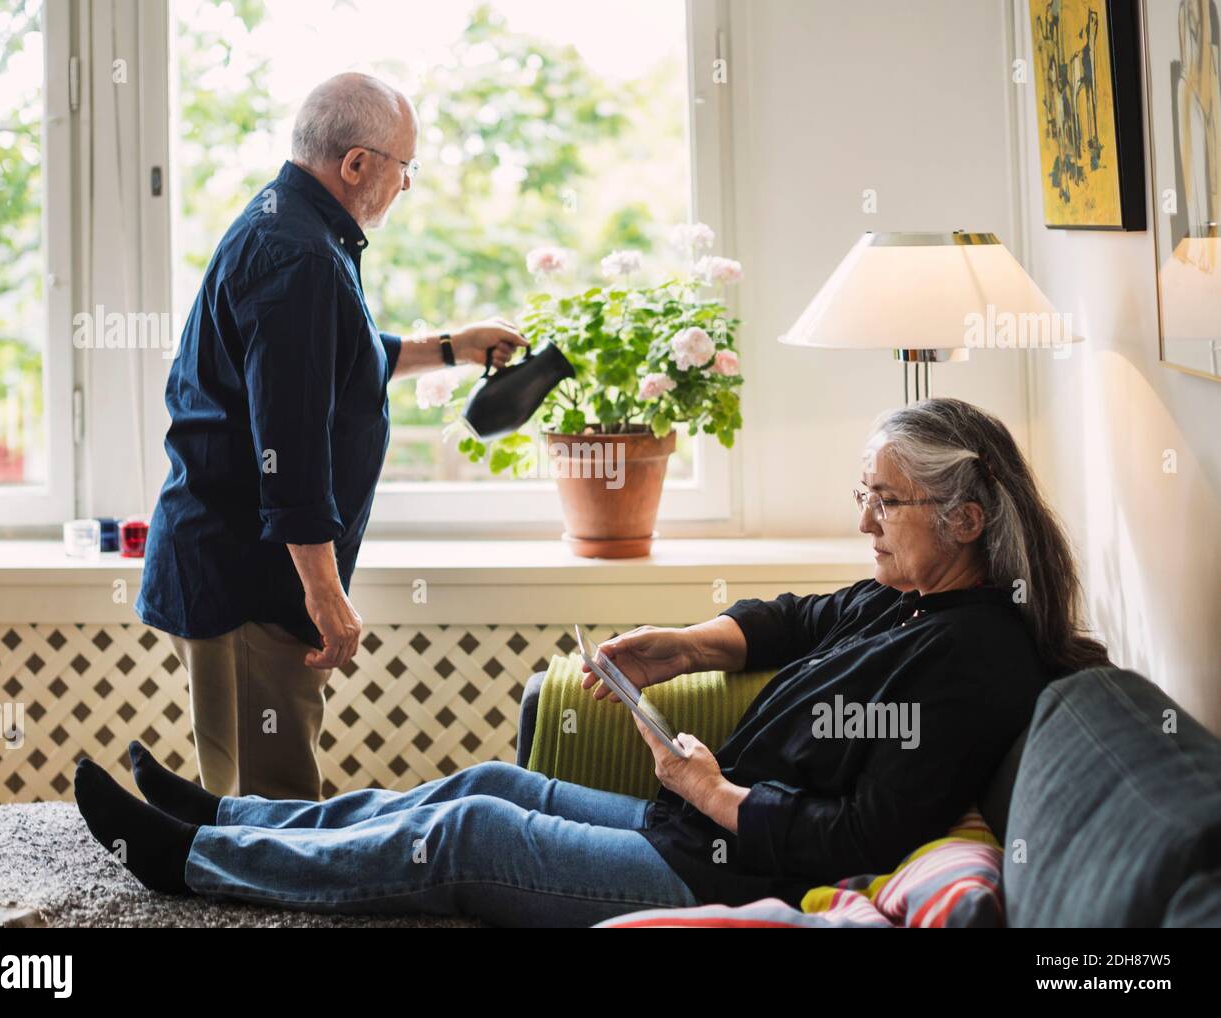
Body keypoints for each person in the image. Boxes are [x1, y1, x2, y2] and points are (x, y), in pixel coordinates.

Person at [81, 398, 1109, 927]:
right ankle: (225, 812)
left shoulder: (974, 661)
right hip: (700, 829)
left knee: (463, 833)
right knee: (492, 779)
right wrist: (683, 646)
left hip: (732, 866)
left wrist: (716, 798)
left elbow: (868, 829)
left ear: (967, 517)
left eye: (886, 499)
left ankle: (184, 861)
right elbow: (797, 620)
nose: (865, 517)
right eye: (863, 491)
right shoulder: (911, 596)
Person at [134, 72, 527, 800]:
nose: (406, 187)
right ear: (356, 164)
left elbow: (340, 358)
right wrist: (325, 592)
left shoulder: (291, 225)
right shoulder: (301, 256)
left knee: (254, 797)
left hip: (237, 563)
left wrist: (453, 346)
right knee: (271, 809)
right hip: (250, 579)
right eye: (404, 167)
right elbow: (288, 440)